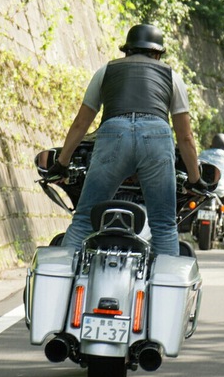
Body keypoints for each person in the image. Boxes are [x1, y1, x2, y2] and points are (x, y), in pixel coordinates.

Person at [44, 23, 207, 256]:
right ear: (158, 54)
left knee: (83, 220)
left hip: (113, 134)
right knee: (163, 225)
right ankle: (165, 287)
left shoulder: (106, 71)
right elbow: (185, 137)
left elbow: (81, 123)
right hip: (156, 138)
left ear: (127, 51)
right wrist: (195, 179)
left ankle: (62, 282)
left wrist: (61, 163)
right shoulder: (172, 77)